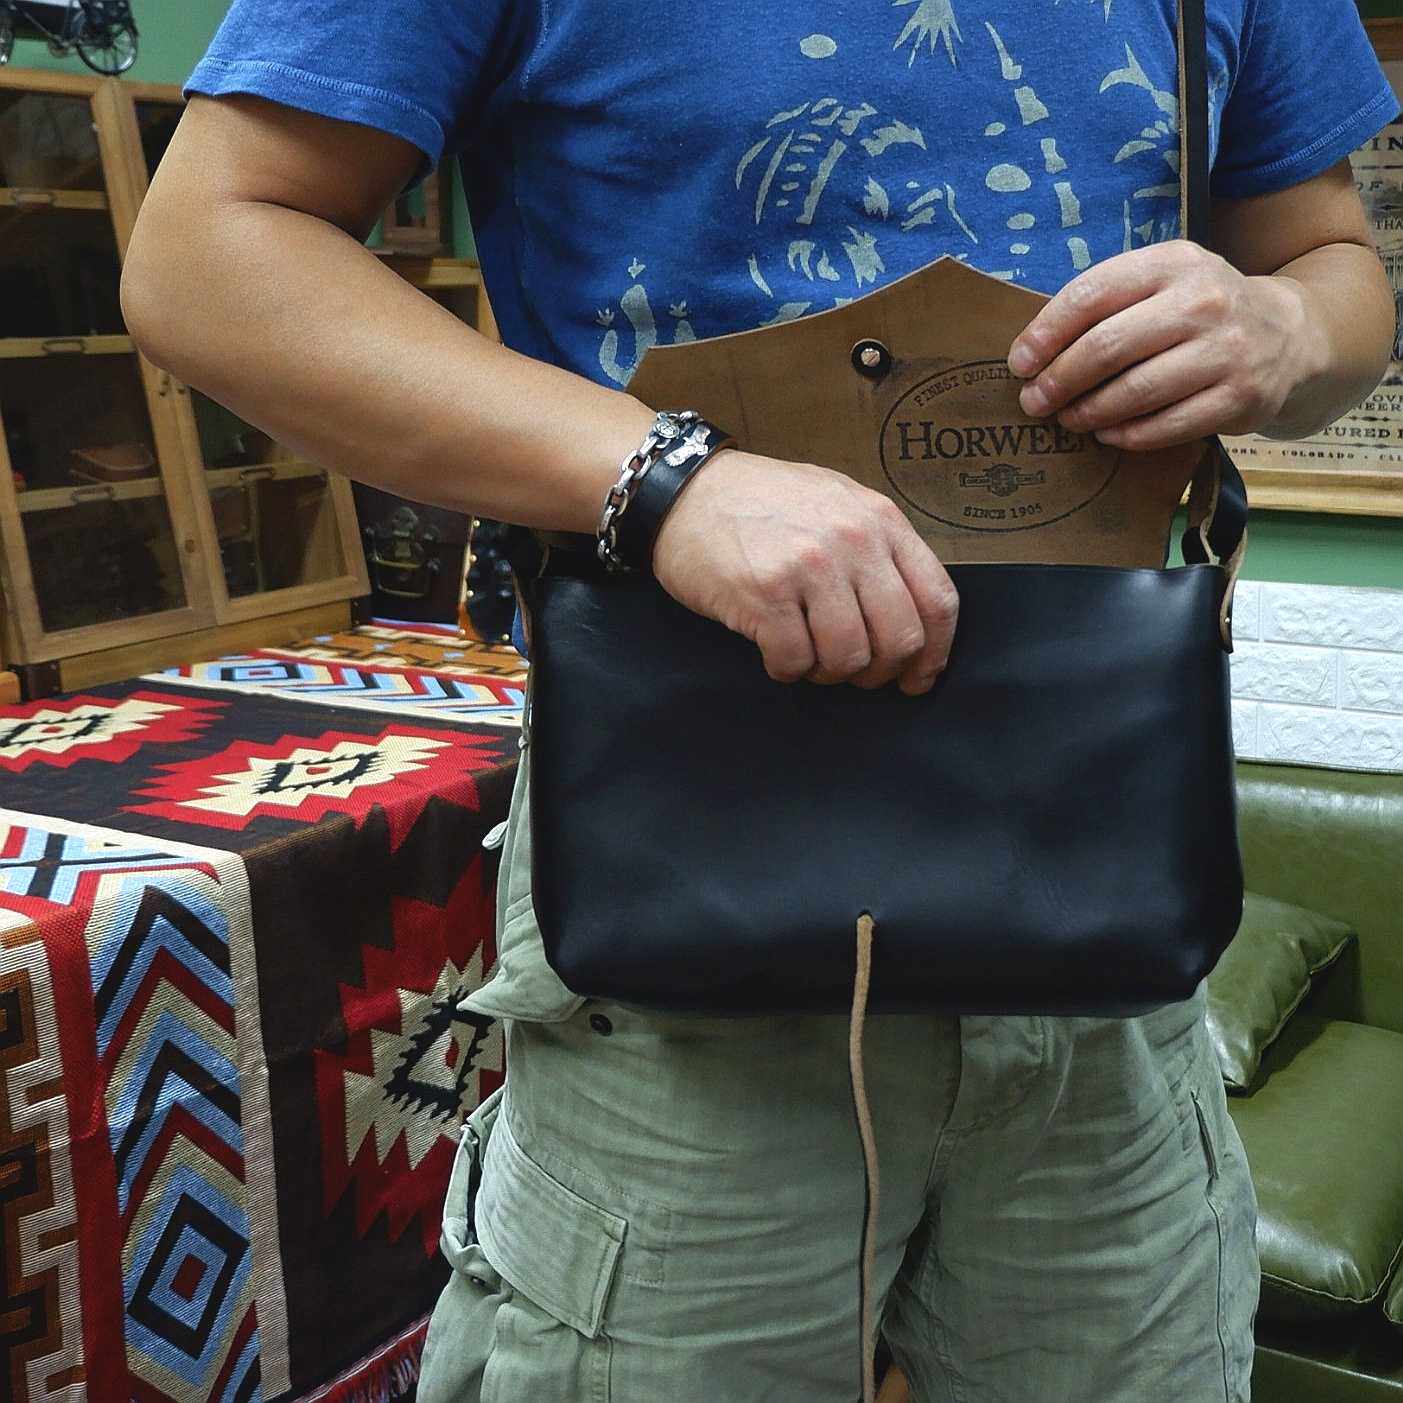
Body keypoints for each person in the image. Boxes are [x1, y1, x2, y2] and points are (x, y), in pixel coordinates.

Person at [121, 3, 1398, 1399]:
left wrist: (1283, 323)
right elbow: (206, 258)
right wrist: (666, 482)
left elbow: (1331, 263)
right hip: (685, 888)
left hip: (1105, 919)